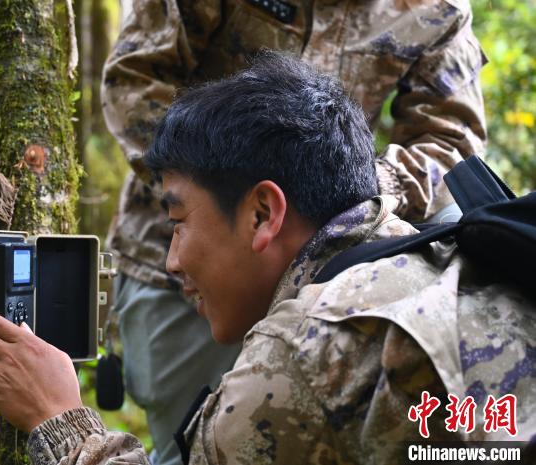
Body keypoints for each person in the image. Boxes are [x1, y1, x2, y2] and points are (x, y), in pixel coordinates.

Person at [0, 54, 534, 465]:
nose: (172, 262)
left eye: (178, 222)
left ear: (263, 213)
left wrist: (60, 420)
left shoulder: (303, 353)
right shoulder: (443, 254)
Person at [101, 2, 487, 463]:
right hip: (197, 267)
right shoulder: (188, 255)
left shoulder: (437, 8)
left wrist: (341, 192)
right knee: (192, 447)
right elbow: (133, 81)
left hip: (343, 269)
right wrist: (216, 187)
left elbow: (451, 140)